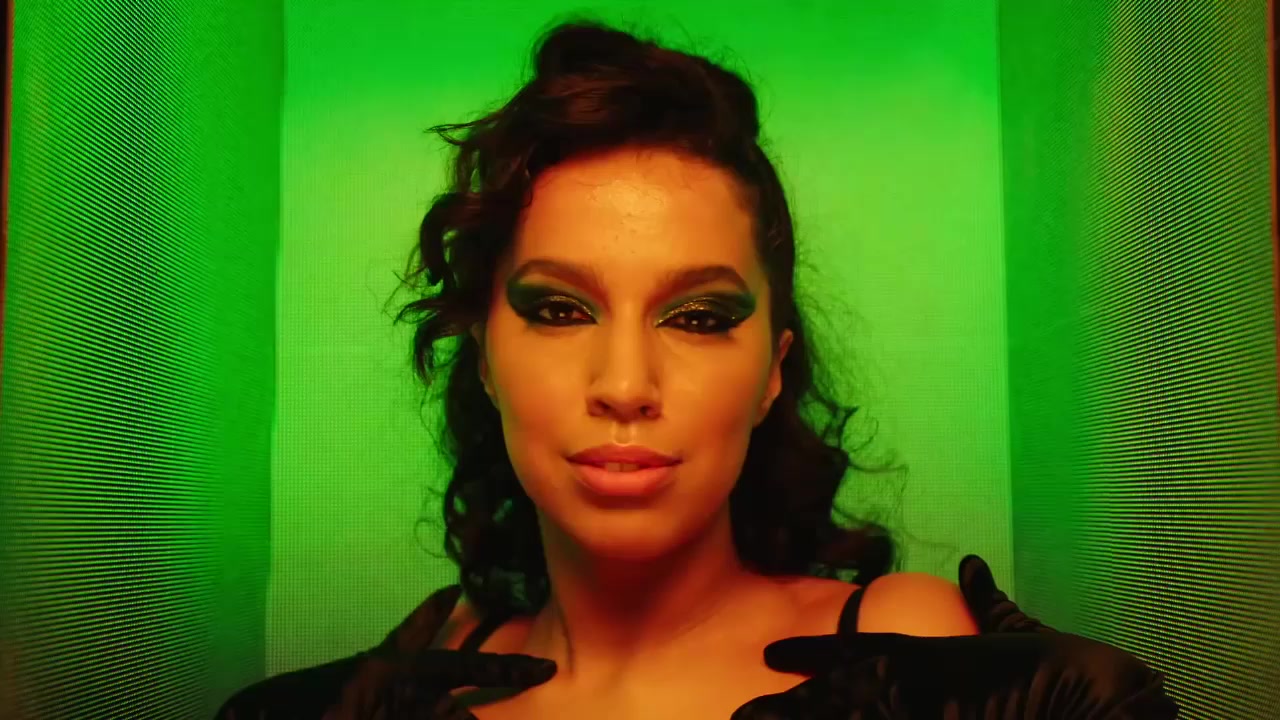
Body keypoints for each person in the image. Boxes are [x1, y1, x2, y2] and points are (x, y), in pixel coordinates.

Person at [216, 19, 1178, 719]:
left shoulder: (899, 642)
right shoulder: (431, 664)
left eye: (699, 317)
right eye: (559, 309)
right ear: (486, 360)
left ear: (772, 372)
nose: (625, 385)